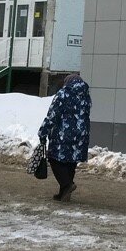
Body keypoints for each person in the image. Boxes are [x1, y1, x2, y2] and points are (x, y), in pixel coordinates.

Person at [37, 73, 91, 202]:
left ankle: (67, 185)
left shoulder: (63, 94)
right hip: (81, 135)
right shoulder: (86, 96)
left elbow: (52, 115)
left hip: (63, 133)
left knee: (54, 158)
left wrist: (43, 131)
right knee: (71, 162)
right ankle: (64, 193)